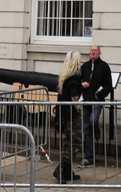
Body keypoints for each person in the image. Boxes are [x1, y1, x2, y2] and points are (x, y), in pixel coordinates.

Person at [79, 45, 113, 165]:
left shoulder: (104, 66)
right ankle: (89, 157)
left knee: (92, 121)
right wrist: (81, 86)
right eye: (92, 50)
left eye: (96, 51)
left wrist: (98, 95)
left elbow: (108, 86)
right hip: (86, 101)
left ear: (99, 53)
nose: (93, 52)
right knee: (86, 129)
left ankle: (96, 128)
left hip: (97, 101)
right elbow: (78, 81)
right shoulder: (84, 67)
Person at [54, 50, 85, 183]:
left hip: (64, 114)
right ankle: (60, 169)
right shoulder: (75, 77)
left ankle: (66, 171)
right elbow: (75, 97)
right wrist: (79, 107)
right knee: (75, 142)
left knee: (68, 142)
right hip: (72, 115)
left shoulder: (65, 76)